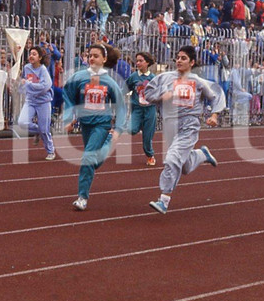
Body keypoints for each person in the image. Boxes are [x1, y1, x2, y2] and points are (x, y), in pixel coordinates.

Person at [142, 45, 225, 214]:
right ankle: (202, 155)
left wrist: (214, 116)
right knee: (184, 166)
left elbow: (216, 95)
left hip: (189, 125)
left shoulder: (198, 82)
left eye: (183, 58)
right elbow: (147, 94)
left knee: (172, 159)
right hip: (170, 125)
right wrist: (161, 96)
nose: (179, 61)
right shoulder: (165, 78)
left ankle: (164, 199)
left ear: (192, 62)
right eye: (178, 58)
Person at [62, 42, 128, 211]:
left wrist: (119, 129)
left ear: (104, 59)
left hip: (102, 124)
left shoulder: (110, 82)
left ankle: (82, 197)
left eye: (96, 56)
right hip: (86, 125)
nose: (91, 58)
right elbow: (68, 94)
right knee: (92, 162)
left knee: (87, 159)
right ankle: (107, 144)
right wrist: (70, 118)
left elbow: (121, 107)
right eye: (89, 55)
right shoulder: (79, 77)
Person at [16, 45, 56, 160]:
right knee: (22, 123)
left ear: (40, 58)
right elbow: (23, 84)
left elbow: (45, 86)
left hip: (43, 101)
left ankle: (50, 151)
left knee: (45, 130)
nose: (31, 56)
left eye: (34, 54)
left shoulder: (43, 70)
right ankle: (40, 130)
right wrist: (19, 84)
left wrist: (29, 85)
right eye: (30, 54)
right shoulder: (27, 68)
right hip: (30, 100)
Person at [126, 51, 159, 166]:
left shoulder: (153, 78)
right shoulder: (133, 77)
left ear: (147, 62)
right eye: (137, 61)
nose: (138, 63)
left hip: (150, 110)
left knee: (147, 138)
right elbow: (125, 88)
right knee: (131, 129)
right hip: (137, 109)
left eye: (141, 61)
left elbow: (158, 93)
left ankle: (150, 155)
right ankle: (138, 123)